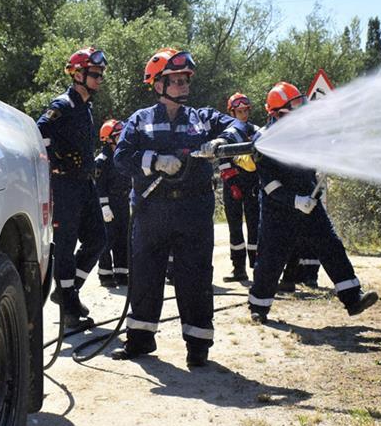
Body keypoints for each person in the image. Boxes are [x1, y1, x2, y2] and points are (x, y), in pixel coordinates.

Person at [112, 48, 249, 368]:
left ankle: (198, 345)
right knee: (146, 275)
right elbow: (121, 159)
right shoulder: (140, 121)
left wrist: (221, 141)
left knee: (196, 276)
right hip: (151, 210)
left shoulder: (203, 119)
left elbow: (238, 125)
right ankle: (141, 339)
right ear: (157, 84)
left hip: (194, 211)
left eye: (186, 80)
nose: (183, 86)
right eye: (175, 80)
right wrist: (155, 161)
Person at [247, 81, 379, 324]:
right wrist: (295, 200)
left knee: (331, 246)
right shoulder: (263, 140)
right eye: (295, 106)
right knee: (270, 258)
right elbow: (269, 184)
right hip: (279, 208)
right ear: (278, 113)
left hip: (310, 200)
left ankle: (353, 298)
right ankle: (259, 307)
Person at [37, 47, 110, 329]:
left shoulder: (86, 107)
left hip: (85, 183)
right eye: (96, 74)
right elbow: (39, 131)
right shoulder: (63, 105)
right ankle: (69, 308)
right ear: (78, 74)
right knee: (65, 244)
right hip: (65, 184)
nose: (100, 79)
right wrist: (56, 159)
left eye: (101, 74)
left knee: (97, 239)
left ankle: (67, 292)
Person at [219, 92, 260, 283]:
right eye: (239, 111)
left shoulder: (256, 130)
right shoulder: (228, 133)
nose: (243, 114)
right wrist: (232, 183)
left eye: (245, 110)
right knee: (234, 228)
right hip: (233, 185)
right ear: (232, 112)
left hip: (253, 184)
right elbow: (223, 160)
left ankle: (258, 267)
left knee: (255, 227)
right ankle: (239, 269)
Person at [95, 119, 131, 287]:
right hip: (109, 203)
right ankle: (105, 274)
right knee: (107, 240)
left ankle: (122, 273)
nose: (122, 138)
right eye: (118, 135)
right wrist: (104, 206)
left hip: (123, 201)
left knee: (123, 238)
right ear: (108, 139)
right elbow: (99, 186)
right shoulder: (102, 160)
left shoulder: (123, 155)